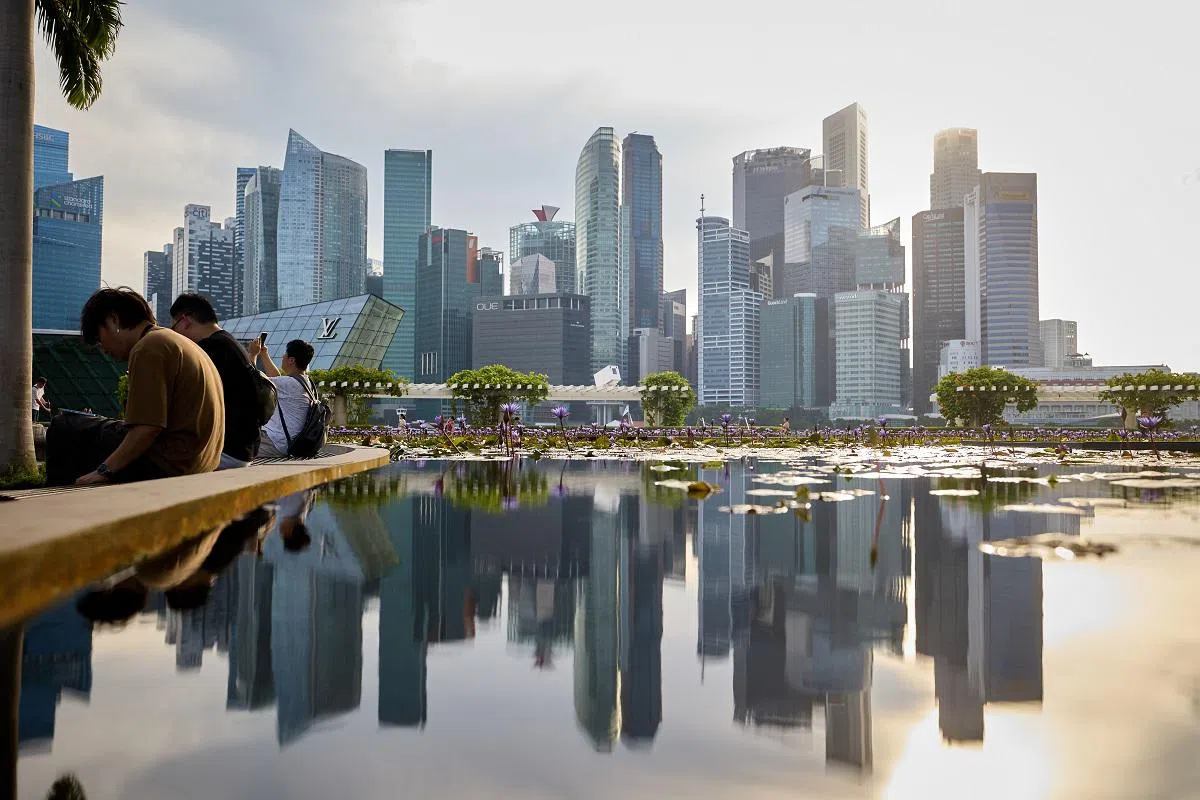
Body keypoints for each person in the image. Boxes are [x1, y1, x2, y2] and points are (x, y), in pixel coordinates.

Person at [45, 287, 225, 486]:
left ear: (114, 320)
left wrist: (104, 470)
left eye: (99, 337)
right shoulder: (174, 340)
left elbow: (148, 428)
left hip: (170, 463)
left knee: (63, 426)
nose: (102, 348)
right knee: (90, 425)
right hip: (198, 461)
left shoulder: (148, 347)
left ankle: (59, 504)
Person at [169, 293, 262, 468]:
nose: (175, 335)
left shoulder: (212, 349)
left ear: (186, 320)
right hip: (242, 449)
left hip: (225, 451)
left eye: (174, 327)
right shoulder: (229, 344)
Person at [247, 338, 315, 458]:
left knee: (232, 448)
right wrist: (264, 354)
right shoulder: (306, 382)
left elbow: (252, 380)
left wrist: (252, 354)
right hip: (291, 442)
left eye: (285, 354)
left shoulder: (288, 383)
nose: (282, 357)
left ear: (291, 360)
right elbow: (276, 379)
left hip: (276, 443)